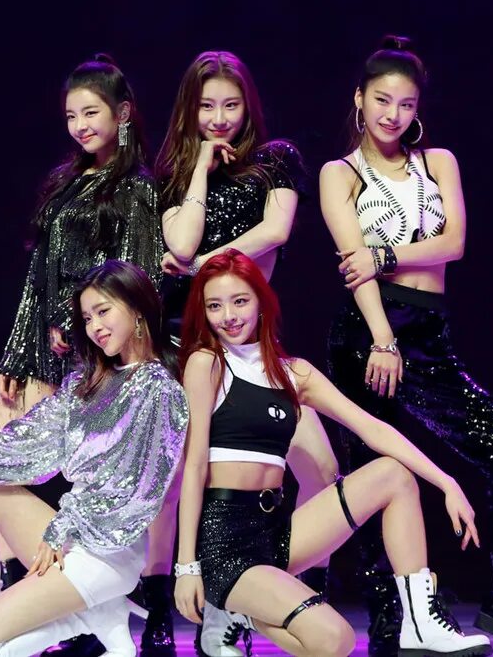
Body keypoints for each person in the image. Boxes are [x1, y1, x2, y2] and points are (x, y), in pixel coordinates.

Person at [321, 35, 493, 654]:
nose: (393, 115)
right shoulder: (339, 174)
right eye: (382, 100)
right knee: (373, 471)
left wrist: (384, 255)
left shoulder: (439, 163)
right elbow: (354, 268)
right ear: (359, 99)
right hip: (370, 333)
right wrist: (382, 338)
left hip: (429, 333)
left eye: (406, 104)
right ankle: (390, 619)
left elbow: (453, 244)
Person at [174, 250, 492, 657]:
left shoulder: (293, 372)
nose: (229, 316)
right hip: (225, 544)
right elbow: (194, 466)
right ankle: (239, 606)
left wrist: (446, 482)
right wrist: (187, 567)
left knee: (393, 474)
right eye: (215, 306)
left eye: (240, 301)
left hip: (277, 533)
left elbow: (372, 428)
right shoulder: (206, 364)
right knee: (336, 640)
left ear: (261, 302)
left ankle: (420, 624)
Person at [155, 51, 339, 656]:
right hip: (193, 347)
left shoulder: (277, 159)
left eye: (231, 105)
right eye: (206, 106)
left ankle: (271, 592)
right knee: (190, 478)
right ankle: (220, 606)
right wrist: (200, 166)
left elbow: (276, 232)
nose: (219, 118)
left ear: (249, 106)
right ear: (190, 109)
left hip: (255, 345)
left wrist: (211, 268)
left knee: (322, 471)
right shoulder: (176, 172)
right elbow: (181, 241)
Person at [0, 260, 189, 657]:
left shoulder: (159, 389)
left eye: (103, 311)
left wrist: (60, 530)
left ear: (136, 309)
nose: (95, 326)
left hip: (109, 552)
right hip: (73, 535)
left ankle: (67, 621)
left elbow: (131, 490)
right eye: (87, 318)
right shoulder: (87, 383)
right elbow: (28, 441)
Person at [0, 54, 163, 591]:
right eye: (70, 116)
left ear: (122, 113)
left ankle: (62, 604)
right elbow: (37, 273)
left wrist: (75, 320)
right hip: (42, 356)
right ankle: (1, 601)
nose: (80, 125)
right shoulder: (66, 182)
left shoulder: (136, 187)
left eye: (91, 112)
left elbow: (136, 278)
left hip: (91, 359)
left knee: (77, 489)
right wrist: (16, 351)